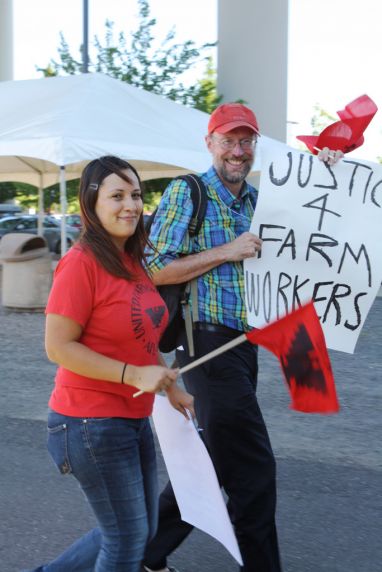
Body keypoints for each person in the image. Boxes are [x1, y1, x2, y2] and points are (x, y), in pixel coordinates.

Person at [141, 103, 343, 572]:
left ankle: (144, 552)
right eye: (228, 140)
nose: (238, 150)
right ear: (210, 143)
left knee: (215, 460)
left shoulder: (255, 203)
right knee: (253, 470)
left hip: (243, 348)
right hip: (204, 347)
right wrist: (226, 251)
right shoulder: (187, 192)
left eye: (246, 140)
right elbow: (155, 269)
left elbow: (307, 228)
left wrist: (326, 175)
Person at [25, 155, 194, 572]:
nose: (130, 205)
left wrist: (169, 385)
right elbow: (59, 347)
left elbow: (139, 337)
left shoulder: (132, 260)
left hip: (132, 417)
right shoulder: (80, 263)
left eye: (135, 195)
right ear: (91, 204)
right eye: (116, 196)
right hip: (89, 423)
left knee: (136, 528)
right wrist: (135, 375)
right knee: (126, 540)